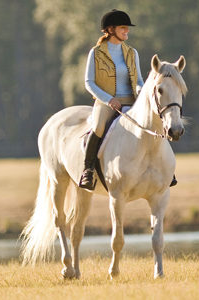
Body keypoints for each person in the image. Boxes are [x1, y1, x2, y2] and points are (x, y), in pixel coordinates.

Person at [79, 9, 146, 190]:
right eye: (123, 28)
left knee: (152, 122)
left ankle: (163, 169)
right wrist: (108, 100)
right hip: (106, 101)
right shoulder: (96, 53)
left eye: (127, 28)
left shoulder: (132, 53)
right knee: (99, 127)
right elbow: (89, 83)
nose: (127, 31)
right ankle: (88, 170)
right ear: (110, 29)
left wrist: (140, 90)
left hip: (132, 100)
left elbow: (139, 80)